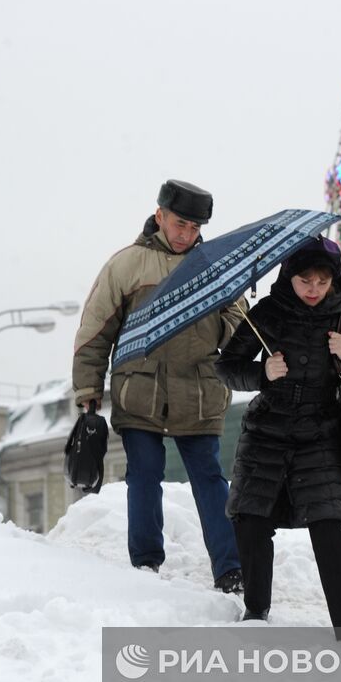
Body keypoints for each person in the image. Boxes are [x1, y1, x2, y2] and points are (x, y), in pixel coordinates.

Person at [72, 179, 243, 591]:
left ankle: (231, 567)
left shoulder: (214, 266)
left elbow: (238, 321)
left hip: (200, 390)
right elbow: (96, 330)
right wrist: (88, 388)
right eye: (180, 224)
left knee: (208, 475)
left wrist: (218, 324)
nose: (186, 235)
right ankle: (146, 564)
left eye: (195, 228)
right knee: (144, 474)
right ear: (160, 215)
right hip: (140, 389)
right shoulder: (126, 265)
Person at [215, 236, 341, 648]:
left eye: (322, 281)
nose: (313, 289)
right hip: (268, 431)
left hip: (322, 434)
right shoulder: (267, 313)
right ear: (290, 277)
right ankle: (256, 611)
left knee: (329, 530)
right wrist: (261, 373)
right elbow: (227, 367)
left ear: (333, 281)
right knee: (251, 521)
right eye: (305, 279)